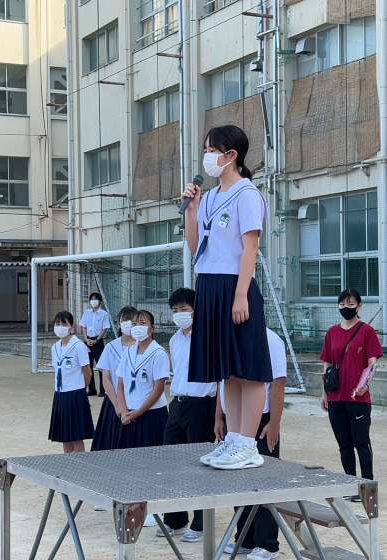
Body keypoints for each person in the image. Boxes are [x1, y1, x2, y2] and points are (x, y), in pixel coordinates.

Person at [183, 124, 272, 470]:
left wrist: (241, 296)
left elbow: (250, 249)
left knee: (249, 369)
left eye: (212, 150)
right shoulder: (209, 197)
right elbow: (197, 248)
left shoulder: (247, 194)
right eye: (205, 150)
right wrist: (192, 210)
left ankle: (248, 444)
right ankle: (233, 439)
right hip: (208, 284)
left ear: (231, 155)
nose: (207, 156)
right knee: (228, 372)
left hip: (236, 285)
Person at [214, 328, 287, 560]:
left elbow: (278, 383)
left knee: (263, 482)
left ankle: (267, 544)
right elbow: (223, 382)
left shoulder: (271, 340)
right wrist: (219, 417)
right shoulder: (228, 336)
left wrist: (274, 422)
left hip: (261, 420)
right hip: (235, 421)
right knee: (238, 480)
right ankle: (244, 538)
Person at [157, 288, 216, 543]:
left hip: (202, 405)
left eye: (184, 309)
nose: (179, 314)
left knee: (198, 465)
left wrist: (219, 414)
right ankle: (175, 518)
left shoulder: (209, 337)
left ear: (195, 310)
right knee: (171, 462)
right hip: (178, 403)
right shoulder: (174, 340)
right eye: (175, 310)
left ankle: (201, 522)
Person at [320, 288, 382, 500]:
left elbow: (372, 362)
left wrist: (366, 384)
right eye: (342, 304)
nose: (345, 308)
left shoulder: (367, 331)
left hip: (358, 398)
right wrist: (324, 393)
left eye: (350, 304)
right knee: (344, 446)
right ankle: (350, 486)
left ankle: (367, 488)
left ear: (359, 306)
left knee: (361, 443)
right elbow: (327, 364)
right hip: (336, 397)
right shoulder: (332, 332)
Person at [116, 309, 169, 449]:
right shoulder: (128, 352)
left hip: (152, 415)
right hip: (128, 415)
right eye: (134, 324)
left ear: (151, 329)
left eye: (142, 323)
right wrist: (123, 411)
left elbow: (158, 390)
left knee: (152, 457)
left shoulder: (159, 353)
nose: (137, 327)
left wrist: (138, 413)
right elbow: (120, 384)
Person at [91, 306, 137, 452]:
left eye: (132, 321)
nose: (128, 323)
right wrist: (118, 405)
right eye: (125, 320)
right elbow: (106, 379)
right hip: (114, 402)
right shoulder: (111, 347)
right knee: (111, 445)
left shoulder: (142, 346)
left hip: (137, 402)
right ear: (119, 323)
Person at [49, 311, 94, 453]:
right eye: (57, 324)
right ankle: (68, 462)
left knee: (76, 437)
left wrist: (82, 388)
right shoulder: (55, 347)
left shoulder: (78, 346)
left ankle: (80, 464)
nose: (60, 327)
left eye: (64, 324)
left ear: (71, 327)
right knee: (65, 436)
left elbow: (87, 372)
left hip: (75, 394)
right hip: (60, 394)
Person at [79, 292, 111, 397]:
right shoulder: (86, 313)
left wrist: (96, 340)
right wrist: (86, 339)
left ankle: (103, 390)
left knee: (101, 366)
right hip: (87, 341)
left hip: (98, 341)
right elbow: (83, 326)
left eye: (95, 299)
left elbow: (104, 328)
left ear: (100, 301)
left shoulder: (104, 314)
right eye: (92, 299)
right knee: (88, 365)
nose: (93, 301)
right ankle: (91, 389)